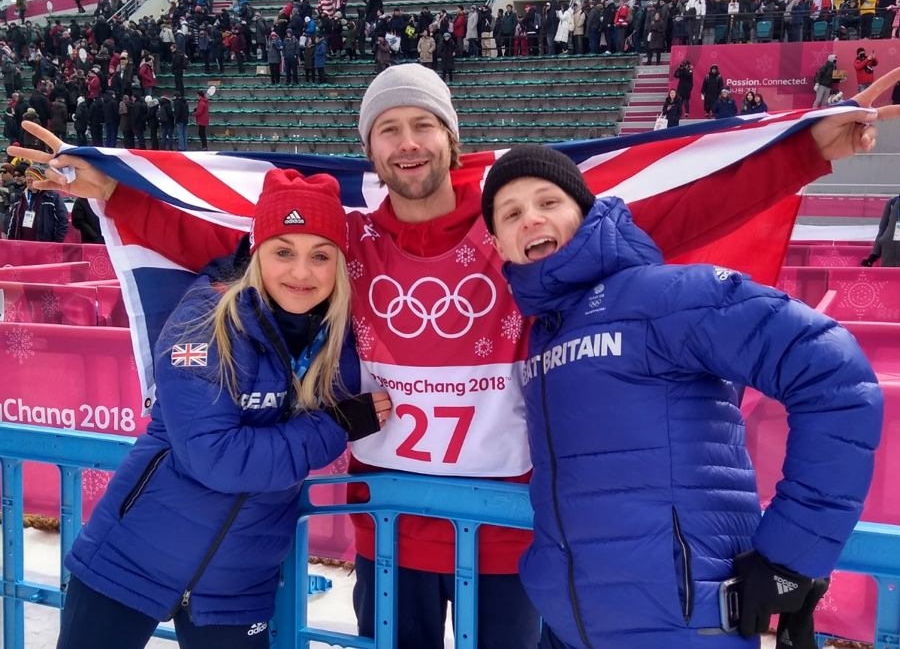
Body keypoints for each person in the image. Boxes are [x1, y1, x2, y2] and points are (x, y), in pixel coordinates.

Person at [10, 64, 900, 649]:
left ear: (450, 133)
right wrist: (112, 191)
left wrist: (801, 151)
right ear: (372, 151)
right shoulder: (348, 245)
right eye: (388, 128)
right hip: (390, 523)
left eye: (422, 125)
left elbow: (672, 211)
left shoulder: (515, 222)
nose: (407, 143)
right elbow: (236, 236)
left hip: (513, 536)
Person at [479, 143, 882, 649]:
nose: (532, 219)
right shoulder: (543, 335)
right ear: (497, 241)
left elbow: (833, 372)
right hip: (572, 629)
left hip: (686, 628)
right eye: (512, 213)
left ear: (583, 211)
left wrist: (791, 557)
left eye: (548, 202)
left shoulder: (663, 295)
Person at [54, 167, 391, 649]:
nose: (301, 272)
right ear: (256, 254)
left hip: (239, 585)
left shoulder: (341, 337)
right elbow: (216, 457)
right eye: (283, 252)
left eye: (321, 256)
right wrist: (333, 426)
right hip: (129, 559)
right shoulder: (206, 320)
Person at [5, 165, 68, 242]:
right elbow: (12, 222)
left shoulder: (52, 197)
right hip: (22, 246)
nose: (28, 178)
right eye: (27, 175)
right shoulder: (20, 197)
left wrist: (56, 243)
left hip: (44, 247)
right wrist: (10, 243)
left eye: (32, 175)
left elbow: (63, 221)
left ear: (41, 178)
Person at [862, 192, 899, 267]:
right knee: (889, 277)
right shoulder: (892, 202)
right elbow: (882, 229)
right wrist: (873, 255)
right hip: (889, 252)